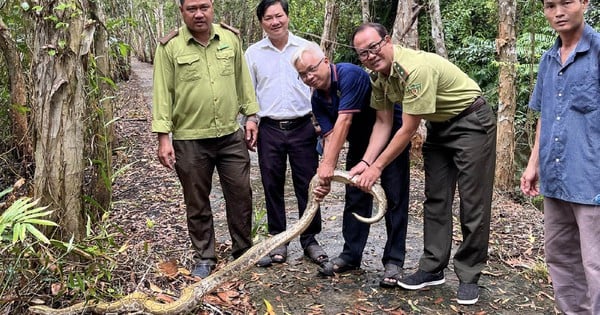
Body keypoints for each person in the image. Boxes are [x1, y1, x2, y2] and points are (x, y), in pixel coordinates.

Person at [350, 23, 497, 305]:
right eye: (363, 53)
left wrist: (376, 168)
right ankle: (432, 267)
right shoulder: (380, 79)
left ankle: (469, 274)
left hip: (471, 121)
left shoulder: (414, 69)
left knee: (472, 201)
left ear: (388, 40)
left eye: (374, 47)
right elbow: (383, 123)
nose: (370, 55)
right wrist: (366, 161)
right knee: (436, 198)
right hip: (439, 127)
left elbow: (407, 129)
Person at [151, 0, 259, 279]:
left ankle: (243, 249)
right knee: (196, 200)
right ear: (182, 11)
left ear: (212, 8)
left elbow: (242, 81)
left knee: (241, 194)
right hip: (189, 139)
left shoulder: (230, 38)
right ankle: (204, 256)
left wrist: (251, 116)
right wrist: (164, 137)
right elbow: (163, 93)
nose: (199, 14)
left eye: (204, 7)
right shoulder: (169, 47)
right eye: (192, 9)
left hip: (230, 135)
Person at [292, 42, 411, 287]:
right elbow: (328, 137)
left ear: (326, 61)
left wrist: (327, 166)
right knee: (355, 195)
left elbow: (344, 121)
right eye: (302, 74)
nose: (308, 77)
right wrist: (324, 177)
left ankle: (394, 261)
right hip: (359, 143)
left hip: (389, 138)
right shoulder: (317, 100)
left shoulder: (350, 74)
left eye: (311, 69)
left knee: (395, 197)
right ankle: (351, 254)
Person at [521, 0, 600, 313]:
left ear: (584, 2)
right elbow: (546, 114)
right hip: (556, 178)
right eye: (550, 5)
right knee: (560, 257)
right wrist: (532, 165)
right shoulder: (548, 59)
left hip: (592, 180)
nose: (558, 11)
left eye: (566, 2)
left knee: (595, 263)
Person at [244, 0, 327, 268]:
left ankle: (310, 238)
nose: (275, 21)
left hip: (304, 126)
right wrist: (251, 120)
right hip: (269, 128)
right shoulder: (253, 53)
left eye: (279, 15)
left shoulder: (306, 49)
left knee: (308, 184)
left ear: (287, 17)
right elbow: (249, 92)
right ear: (261, 22)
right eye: (268, 18)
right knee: (272, 184)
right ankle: (278, 237)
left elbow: (321, 85)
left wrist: (322, 123)